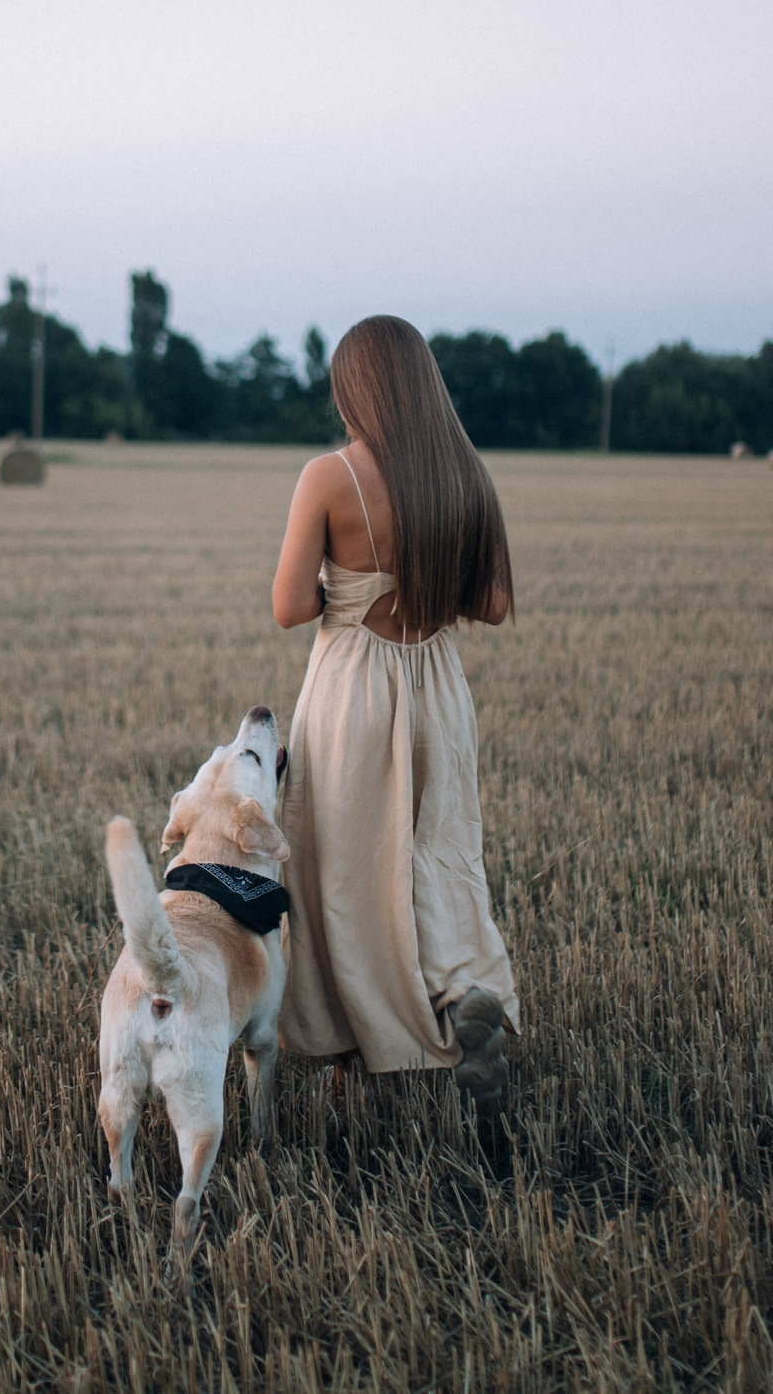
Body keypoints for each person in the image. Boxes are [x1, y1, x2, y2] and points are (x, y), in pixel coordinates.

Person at [269, 314, 520, 1117]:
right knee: (439, 859)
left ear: (355, 388)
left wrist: (345, 587)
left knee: (341, 873)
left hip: (352, 692)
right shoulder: (465, 473)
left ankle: (361, 1042)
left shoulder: (329, 475)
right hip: (436, 689)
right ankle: (465, 995)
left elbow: (286, 607)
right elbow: (494, 604)